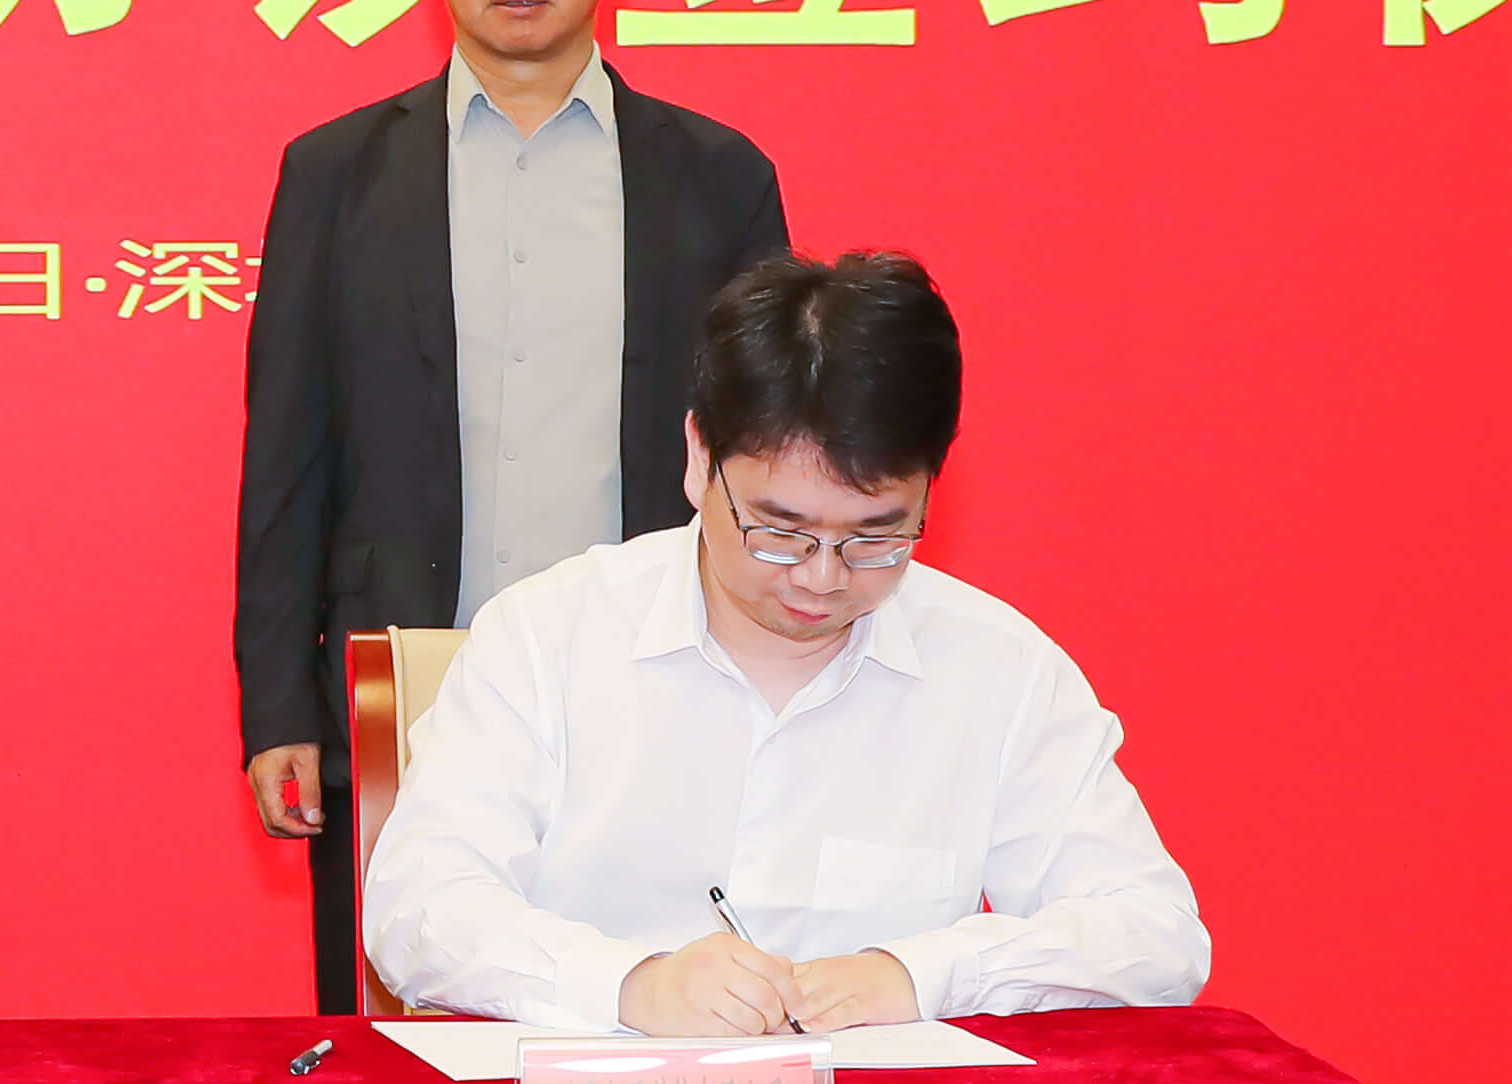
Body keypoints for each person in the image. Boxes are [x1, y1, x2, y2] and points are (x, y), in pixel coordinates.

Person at [234, 0, 787, 1012]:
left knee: (655, 1030)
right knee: (400, 1044)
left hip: (656, 687)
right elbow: (285, 455)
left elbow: (767, 459)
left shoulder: (716, 178)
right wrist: (278, 706)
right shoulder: (334, 175)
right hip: (409, 681)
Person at [362, 249, 1205, 1034]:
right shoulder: (546, 636)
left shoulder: (999, 669)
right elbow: (418, 907)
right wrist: (629, 985)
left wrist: (922, 975)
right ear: (699, 459)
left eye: (876, 537)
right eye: (779, 532)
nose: (821, 577)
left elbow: (1154, 936)